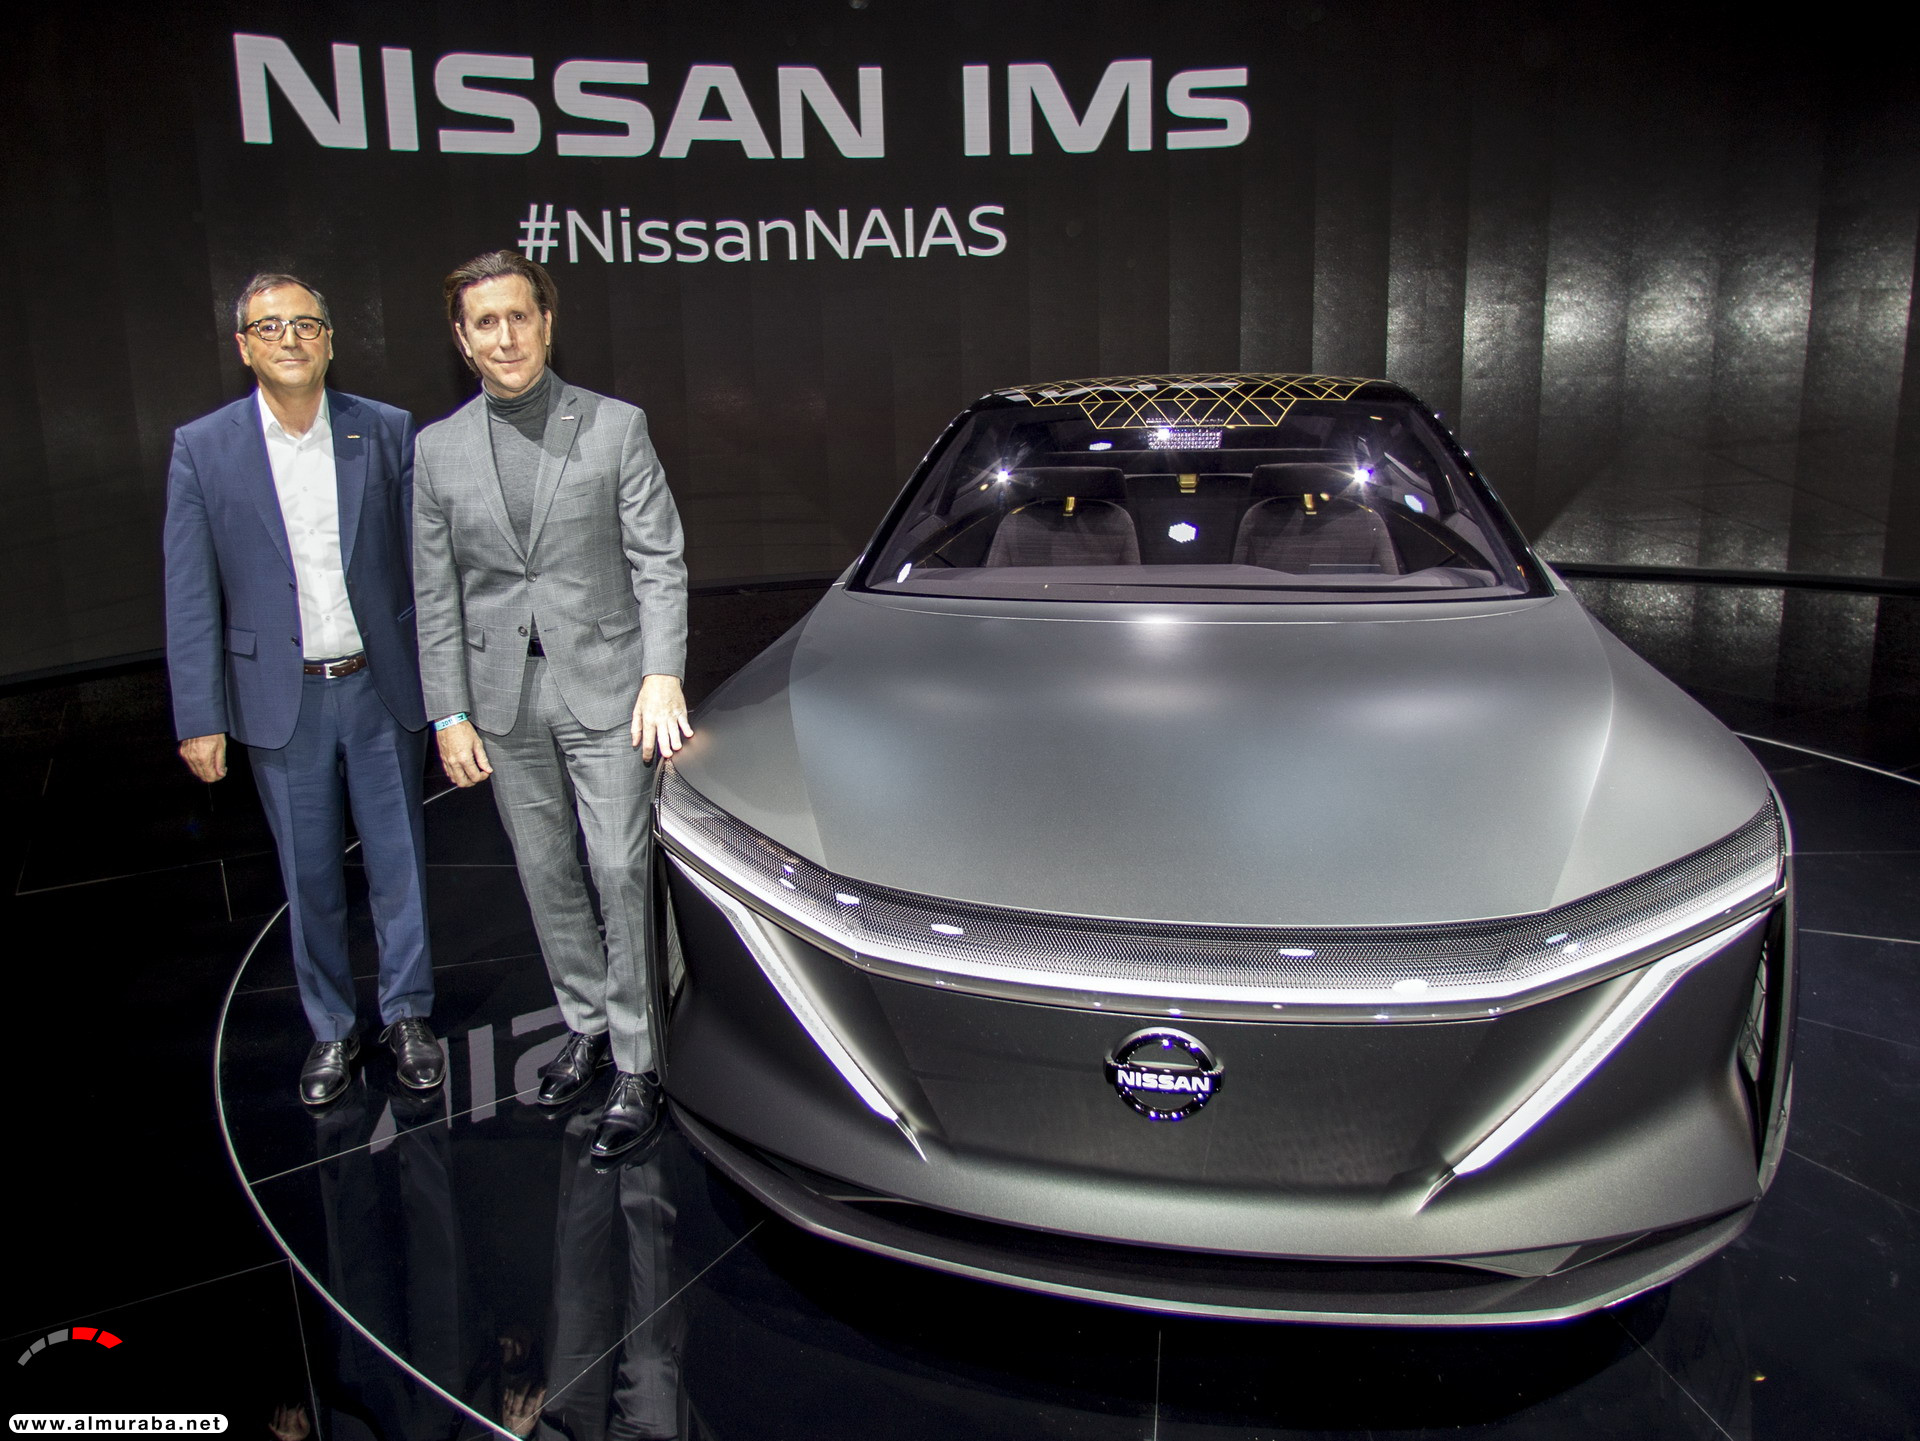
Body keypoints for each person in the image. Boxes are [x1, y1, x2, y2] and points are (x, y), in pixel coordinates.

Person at [413, 250, 690, 1160]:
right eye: (484, 322)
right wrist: (448, 711)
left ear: (546, 323)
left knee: (619, 868)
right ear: (463, 339)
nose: (505, 336)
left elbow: (658, 560)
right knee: (544, 871)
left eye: (519, 317)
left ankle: (640, 1058)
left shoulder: (615, 427)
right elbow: (436, 594)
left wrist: (662, 672)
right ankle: (587, 1021)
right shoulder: (438, 450)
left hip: (609, 687)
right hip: (501, 698)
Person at [165, 272, 442, 1106]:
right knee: (308, 873)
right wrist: (200, 714)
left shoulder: (383, 429)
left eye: (307, 324)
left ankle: (408, 1014)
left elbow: (426, 568)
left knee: (400, 863)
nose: (290, 338)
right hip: (279, 701)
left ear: (330, 340)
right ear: (244, 346)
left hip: (381, 687)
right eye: (270, 326)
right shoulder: (203, 448)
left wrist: (447, 689)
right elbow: (189, 591)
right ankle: (331, 1026)